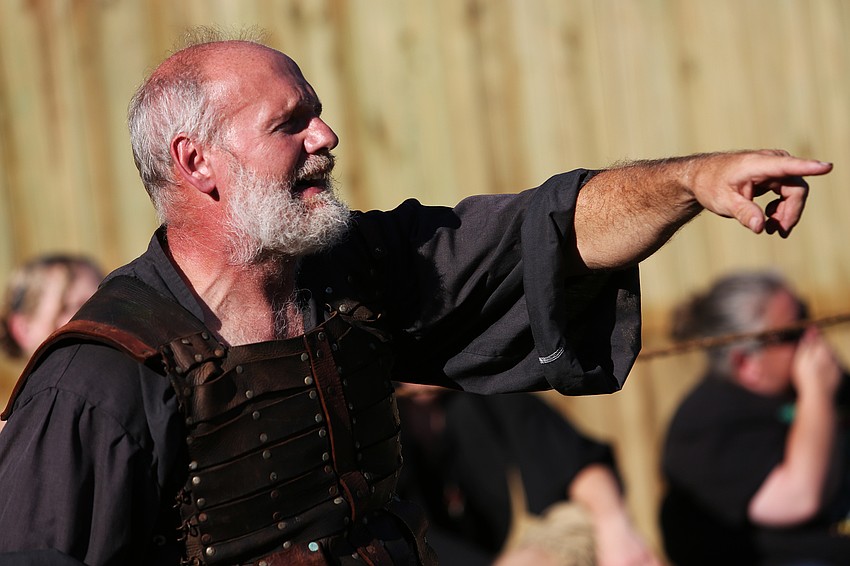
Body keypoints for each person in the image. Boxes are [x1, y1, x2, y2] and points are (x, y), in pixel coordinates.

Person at [0, 28, 833, 566]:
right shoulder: (98, 383)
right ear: (196, 163)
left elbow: (538, 230)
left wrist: (691, 181)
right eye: (291, 122)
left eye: (318, 115)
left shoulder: (349, 276)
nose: (325, 137)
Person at [660, 272, 850, 565]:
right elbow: (798, 498)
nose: (812, 335)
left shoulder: (817, 385)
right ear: (745, 362)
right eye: (792, 333)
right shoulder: (705, 425)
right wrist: (817, 395)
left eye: (806, 316)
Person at [394, 384, 661, 566]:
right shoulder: (367, 428)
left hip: (521, 553)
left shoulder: (485, 394)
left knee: (580, 520)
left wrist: (615, 527)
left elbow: (576, 463)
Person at [0, 254, 103, 410]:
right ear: (24, 329)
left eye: (103, 298)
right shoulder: (20, 429)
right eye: (72, 305)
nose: (100, 314)